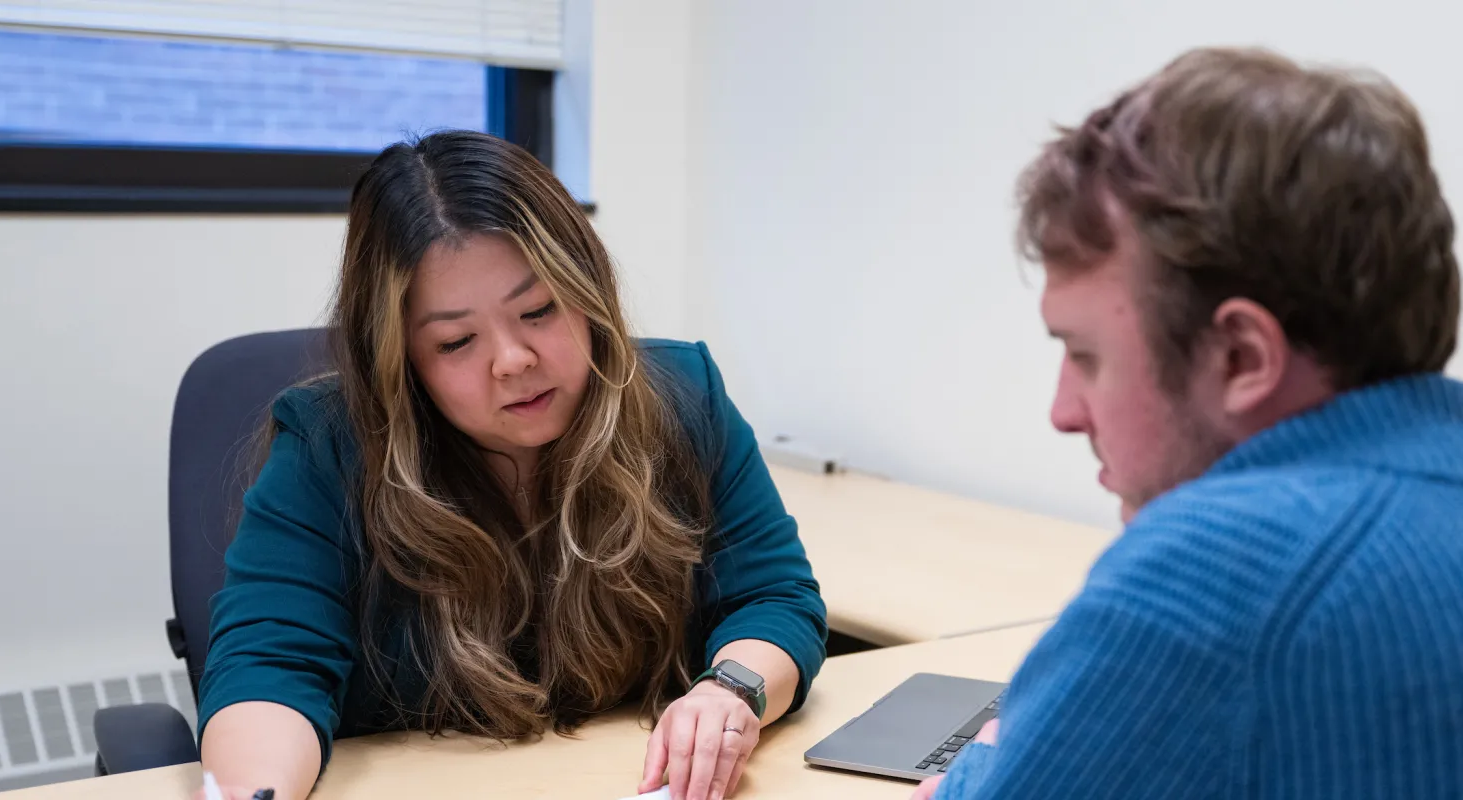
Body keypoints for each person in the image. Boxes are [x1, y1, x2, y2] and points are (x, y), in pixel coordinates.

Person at [195, 131, 827, 800]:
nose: (513, 359)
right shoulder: (329, 447)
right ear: (400, 358)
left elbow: (772, 597)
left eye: (538, 310)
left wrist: (730, 692)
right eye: (457, 341)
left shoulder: (683, 396)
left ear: (587, 292)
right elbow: (269, 671)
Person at [915, 47, 1463, 799]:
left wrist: (984, 761)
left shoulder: (1227, 561)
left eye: (1086, 355)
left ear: (1240, 356)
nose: (1063, 412)